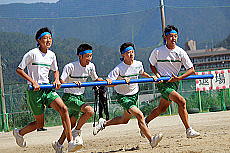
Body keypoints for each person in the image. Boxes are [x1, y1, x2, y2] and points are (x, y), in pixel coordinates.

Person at [14, 27, 79, 152]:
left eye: (50, 38)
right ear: (39, 40)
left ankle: (70, 142)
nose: (48, 41)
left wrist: (56, 79)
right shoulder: (32, 53)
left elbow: (55, 70)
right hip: (35, 92)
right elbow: (19, 69)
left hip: (47, 89)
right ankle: (19, 133)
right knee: (40, 124)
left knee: (64, 109)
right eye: (45, 38)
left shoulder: (52, 55)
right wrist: (33, 82)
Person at [93, 42, 163, 148]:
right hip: (123, 97)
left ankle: (103, 123)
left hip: (134, 95)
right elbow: (109, 83)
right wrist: (121, 81)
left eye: (132, 52)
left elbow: (141, 72)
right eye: (128, 52)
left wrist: (151, 77)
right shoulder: (119, 69)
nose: (131, 54)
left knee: (124, 120)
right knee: (140, 115)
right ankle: (151, 139)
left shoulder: (138, 64)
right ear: (122, 55)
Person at [144, 25, 200, 138]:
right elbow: (152, 64)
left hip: (174, 82)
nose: (173, 38)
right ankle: (188, 130)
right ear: (165, 37)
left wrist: (179, 78)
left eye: (175, 36)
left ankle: (145, 122)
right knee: (182, 102)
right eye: (170, 36)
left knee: (162, 108)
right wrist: (157, 74)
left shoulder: (180, 52)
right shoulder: (157, 51)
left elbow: (191, 69)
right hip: (163, 83)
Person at [52, 44, 104, 152]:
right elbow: (61, 81)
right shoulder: (70, 66)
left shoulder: (91, 66)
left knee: (70, 123)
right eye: (87, 56)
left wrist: (106, 81)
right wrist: (72, 83)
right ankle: (77, 131)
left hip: (80, 97)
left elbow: (95, 79)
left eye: (91, 56)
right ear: (80, 56)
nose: (89, 59)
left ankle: (59, 144)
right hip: (69, 97)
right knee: (89, 111)